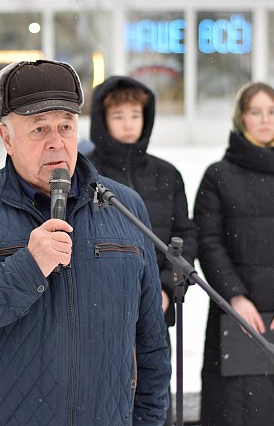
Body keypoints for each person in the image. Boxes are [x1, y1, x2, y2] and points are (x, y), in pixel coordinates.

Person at [0, 59, 171, 425]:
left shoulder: (124, 207)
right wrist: (27, 267)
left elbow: (151, 344)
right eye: (38, 129)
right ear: (7, 137)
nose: (56, 142)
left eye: (65, 126)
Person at [193, 82, 274, 426]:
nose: (265, 119)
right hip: (235, 318)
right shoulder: (218, 177)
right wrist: (234, 297)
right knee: (234, 410)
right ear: (241, 119)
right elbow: (209, 242)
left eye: (273, 112)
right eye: (256, 112)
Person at [86, 76, 196, 426]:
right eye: (119, 116)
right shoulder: (84, 172)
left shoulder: (167, 174)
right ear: (102, 120)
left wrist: (166, 288)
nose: (129, 123)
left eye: (135, 114)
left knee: (152, 400)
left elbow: (184, 236)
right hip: (97, 314)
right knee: (100, 401)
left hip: (154, 311)